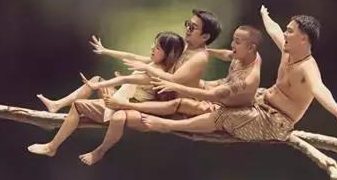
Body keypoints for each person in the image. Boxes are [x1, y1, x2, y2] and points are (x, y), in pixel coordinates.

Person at [141, 7, 337, 141]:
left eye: (290, 31)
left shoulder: (307, 68)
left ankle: (167, 125)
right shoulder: (288, 50)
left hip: (276, 122)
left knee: (223, 115)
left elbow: (319, 89)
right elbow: (274, 30)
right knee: (210, 94)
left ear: (303, 39)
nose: (285, 34)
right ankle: (152, 101)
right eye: (286, 30)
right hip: (260, 100)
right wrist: (265, 16)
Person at [28, 31, 185, 164]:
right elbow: (130, 56)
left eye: (157, 47)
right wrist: (105, 51)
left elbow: (125, 79)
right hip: (124, 98)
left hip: (125, 105)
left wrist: (97, 87)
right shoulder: (153, 64)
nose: (152, 48)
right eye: (154, 44)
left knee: (78, 105)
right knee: (96, 79)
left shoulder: (156, 73)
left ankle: (52, 147)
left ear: (168, 54)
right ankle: (57, 105)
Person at [108, 25, 263, 118]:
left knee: (179, 104)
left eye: (237, 42)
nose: (232, 45)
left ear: (251, 48)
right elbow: (226, 54)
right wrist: (206, 51)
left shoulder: (247, 79)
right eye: (233, 39)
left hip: (222, 101)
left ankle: (125, 105)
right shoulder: (246, 55)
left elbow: (213, 95)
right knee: (196, 83)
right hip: (219, 86)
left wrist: (176, 86)